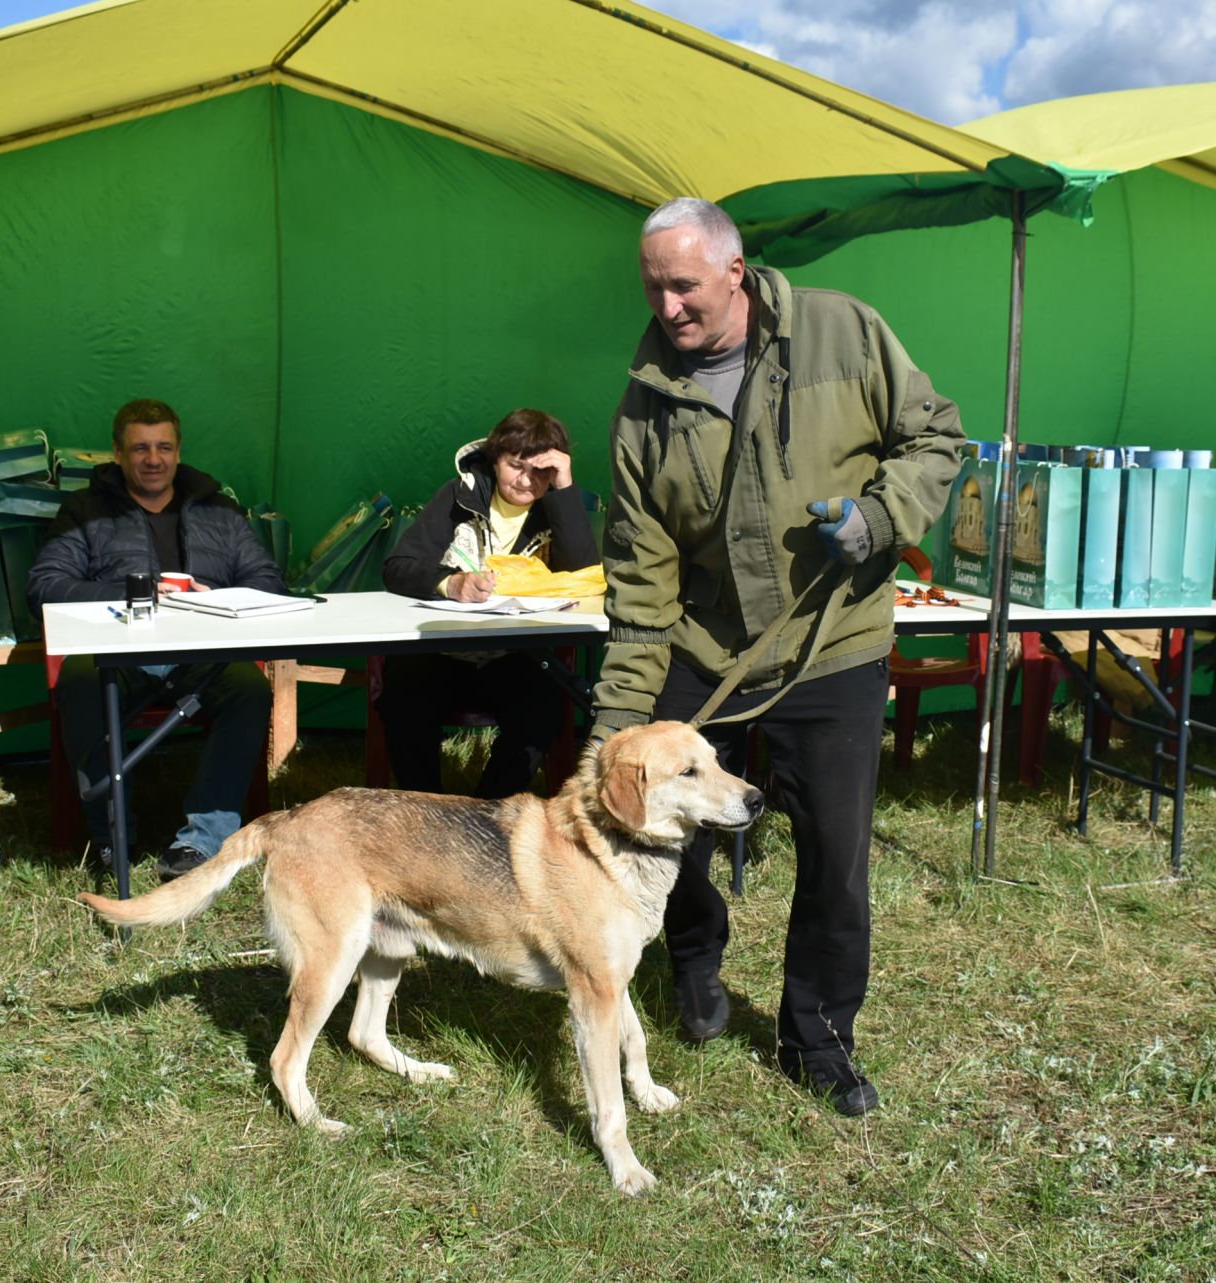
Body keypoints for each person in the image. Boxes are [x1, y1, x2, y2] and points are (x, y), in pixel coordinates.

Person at [591, 197, 963, 1115]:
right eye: (653, 288)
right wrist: (615, 734)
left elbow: (936, 436)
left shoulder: (844, 332)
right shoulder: (642, 408)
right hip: (708, 652)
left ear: (733, 269)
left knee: (835, 858)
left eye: (684, 286)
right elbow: (642, 588)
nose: (668, 306)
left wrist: (878, 519)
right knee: (665, 828)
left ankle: (818, 1043)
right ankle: (694, 961)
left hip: (832, 645)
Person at [27, 399, 286, 878]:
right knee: (82, 682)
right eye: (140, 448)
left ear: (179, 449)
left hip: (203, 656)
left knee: (249, 690)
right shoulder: (85, 509)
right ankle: (111, 838)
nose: (153, 459)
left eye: (164, 447)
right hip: (119, 653)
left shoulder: (218, 509)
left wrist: (217, 595)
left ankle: (202, 841)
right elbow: (44, 586)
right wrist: (138, 595)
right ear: (118, 453)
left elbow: (269, 580)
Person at [377, 408, 598, 797]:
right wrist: (450, 583)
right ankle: (428, 810)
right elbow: (398, 566)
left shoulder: (557, 505)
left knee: (543, 705)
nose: (527, 480)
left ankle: (487, 813)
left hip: (516, 656)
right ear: (495, 459)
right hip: (443, 651)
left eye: (541, 471)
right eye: (516, 466)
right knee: (404, 693)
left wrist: (564, 487)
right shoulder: (459, 495)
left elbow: (584, 577)